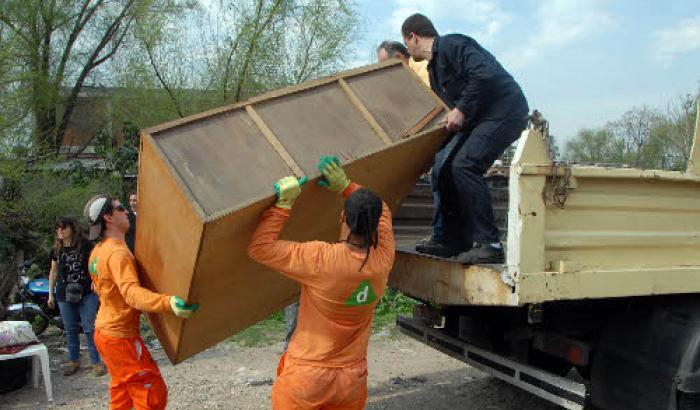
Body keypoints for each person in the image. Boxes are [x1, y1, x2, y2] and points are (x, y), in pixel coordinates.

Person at [248, 157, 395, 410]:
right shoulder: (383, 257)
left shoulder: (321, 260)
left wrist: (283, 204)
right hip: (351, 381)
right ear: (375, 227)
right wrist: (347, 186)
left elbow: (259, 248)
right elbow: (382, 209)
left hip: (307, 378)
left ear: (343, 220)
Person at [401, 13, 529, 263]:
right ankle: (453, 241)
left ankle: (489, 243)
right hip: (479, 119)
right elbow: (451, 117)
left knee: (465, 164)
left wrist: (461, 109)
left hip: (506, 110)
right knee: (444, 169)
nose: (406, 47)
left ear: (412, 36)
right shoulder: (434, 70)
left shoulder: (453, 44)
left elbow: (484, 74)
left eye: (405, 42)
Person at [84, 194, 199, 410]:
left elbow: (98, 287)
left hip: (104, 332)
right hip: (120, 337)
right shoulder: (118, 253)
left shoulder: (98, 252)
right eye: (120, 209)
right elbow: (131, 294)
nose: (126, 212)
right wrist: (168, 302)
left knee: (122, 391)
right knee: (151, 391)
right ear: (108, 218)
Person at [47, 216, 106, 376]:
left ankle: (96, 361)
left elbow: (96, 265)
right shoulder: (56, 250)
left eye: (63, 227)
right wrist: (50, 294)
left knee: (90, 328)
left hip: (86, 292)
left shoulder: (86, 246)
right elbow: (53, 272)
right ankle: (74, 361)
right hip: (63, 293)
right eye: (57, 228)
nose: (59, 231)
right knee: (70, 329)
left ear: (72, 229)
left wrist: (97, 282)